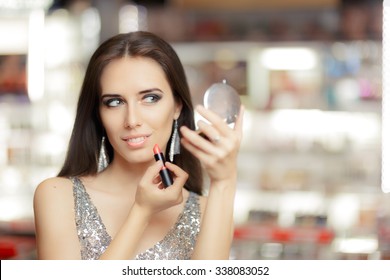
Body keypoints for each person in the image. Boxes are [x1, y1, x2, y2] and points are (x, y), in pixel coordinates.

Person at [33, 31, 244, 260]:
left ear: (177, 107)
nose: (132, 120)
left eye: (150, 98)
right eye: (115, 102)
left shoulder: (206, 210)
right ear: (98, 113)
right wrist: (141, 212)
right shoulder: (57, 196)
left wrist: (224, 181)